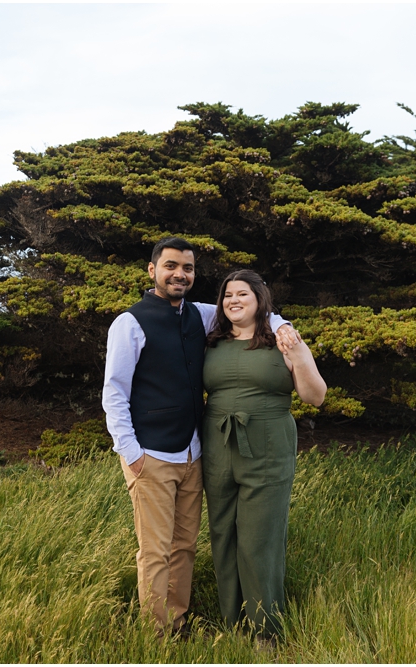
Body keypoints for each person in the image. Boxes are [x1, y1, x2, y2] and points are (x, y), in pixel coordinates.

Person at [102, 238, 300, 634]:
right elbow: (114, 391)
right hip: (151, 454)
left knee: (184, 546)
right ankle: (156, 633)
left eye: (188, 268)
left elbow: (251, 309)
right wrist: (130, 452)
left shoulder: (201, 314)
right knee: (155, 551)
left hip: (193, 454)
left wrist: (283, 327)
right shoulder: (130, 322)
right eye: (171, 266)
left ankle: (178, 620)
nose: (180, 274)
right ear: (152, 269)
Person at [202, 269, 326, 637]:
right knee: (223, 534)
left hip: (268, 447)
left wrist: (300, 356)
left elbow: (315, 397)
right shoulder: (212, 341)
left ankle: (265, 629)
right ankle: (232, 621)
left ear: (260, 301)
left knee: (259, 539)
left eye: (243, 294)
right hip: (217, 446)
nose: (234, 300)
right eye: (227, 295)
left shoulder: (282, 340)